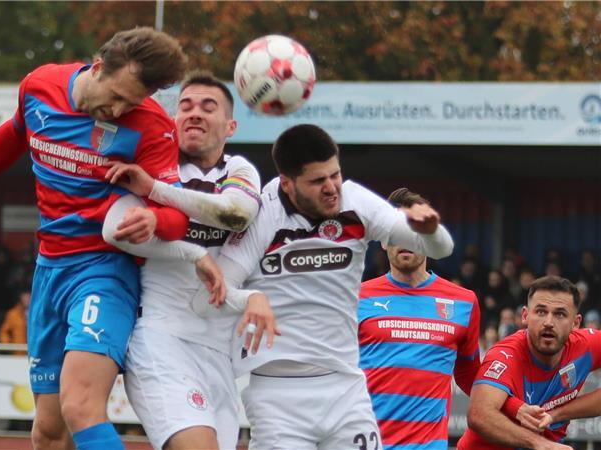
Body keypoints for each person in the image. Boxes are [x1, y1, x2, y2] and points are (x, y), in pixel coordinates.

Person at [0, 27, 211, 450]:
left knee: (81, 407)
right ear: (97, 67)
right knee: (49, 433)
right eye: (116, 95)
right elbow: (14, 134)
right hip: (48, 271)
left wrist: (155, 221)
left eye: (131, 102)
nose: (118, 109)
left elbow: (176, 216)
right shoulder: (40, 86)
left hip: (103, 272)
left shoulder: (152, 127)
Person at [193, 124, 454, 449]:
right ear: (288, 184)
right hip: (277, 396)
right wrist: (250, 297)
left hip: (345, 388)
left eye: (335, 175)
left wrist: (429, 231)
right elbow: (214, 292)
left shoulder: (356, 201)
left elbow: (439, 248)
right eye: (318, 181)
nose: (332, 188)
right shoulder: (263, 213)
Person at [103, 70, 274, 450]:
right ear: (173, 119)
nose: (194, 113)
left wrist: (155, 192)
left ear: (230, 125)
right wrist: (191, 251)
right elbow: (114, 229)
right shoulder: (152, 163)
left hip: (219, 351)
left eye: (208, 107)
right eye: (186, 106)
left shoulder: (239, 169)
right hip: (163, 339)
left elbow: (237, 213)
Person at [357, 188, 481, 450]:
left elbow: (471, 375)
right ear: (382, 239)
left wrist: (515, 405)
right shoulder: (356, 297)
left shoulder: (464, 302)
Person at [458, 275, 601, 450]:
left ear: (575, 322)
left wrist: (556, 414)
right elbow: (478, 415)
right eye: (541, 312)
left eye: (560, 314)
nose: (549, 322)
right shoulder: (506, 354)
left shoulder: (587, 345)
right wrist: (540, 444)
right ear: (525, 315)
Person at [0, 290, 30, 355]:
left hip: (35, 355)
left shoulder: (39, 314)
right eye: (25, 296)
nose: (27, 299)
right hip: (17, 354)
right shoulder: (12, 314)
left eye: (28, 296)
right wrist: (7, 346)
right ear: (20, 298)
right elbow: (4, 332)